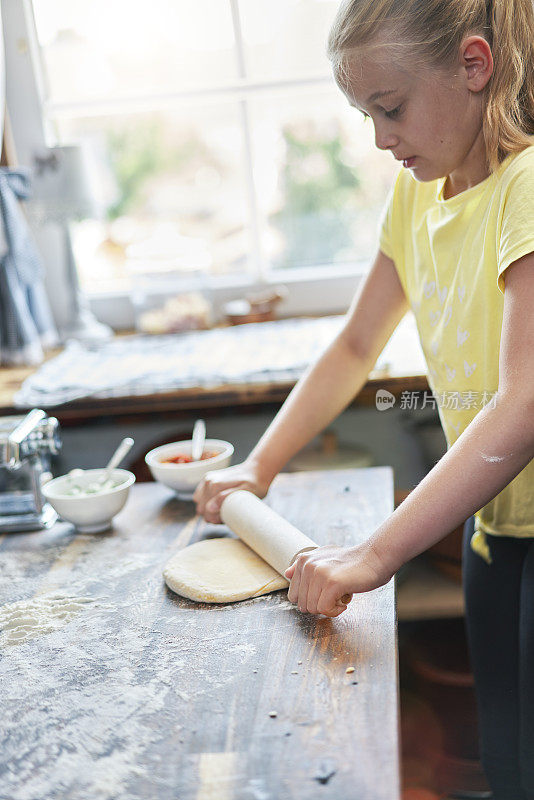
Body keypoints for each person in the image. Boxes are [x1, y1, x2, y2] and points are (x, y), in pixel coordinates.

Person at [194, 1, 534, 796]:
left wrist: (372, 554)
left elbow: (521, 408)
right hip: (497, 537)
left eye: (391, 108)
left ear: (474, 66)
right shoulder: (418, 196)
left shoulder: (527, 191)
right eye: (366, 115)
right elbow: (355, 347)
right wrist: (258, 467)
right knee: (512, 764)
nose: (381, 139)